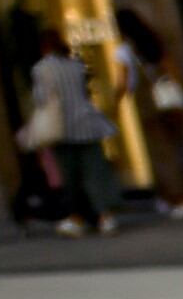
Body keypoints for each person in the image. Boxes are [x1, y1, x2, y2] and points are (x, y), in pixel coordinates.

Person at [23, 20, 126, 236]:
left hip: (63, 128)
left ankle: (76, 217)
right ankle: (106, 216)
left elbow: (42, 99)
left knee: (69, 177)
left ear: (43, 46)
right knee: (95, 172)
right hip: (88, 123)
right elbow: (85, 92)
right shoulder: (76, 65)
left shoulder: (41, 69)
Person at [109, 5, 183, 218]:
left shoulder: (124, 50)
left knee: (159, 152)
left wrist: (115, 104)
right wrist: (177, 94)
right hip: (166, 100)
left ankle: (178, 197)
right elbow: (170, 68)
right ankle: (173, 195)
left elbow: (123, 81)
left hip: (147, 104)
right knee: (173, 147)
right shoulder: (152, 40)